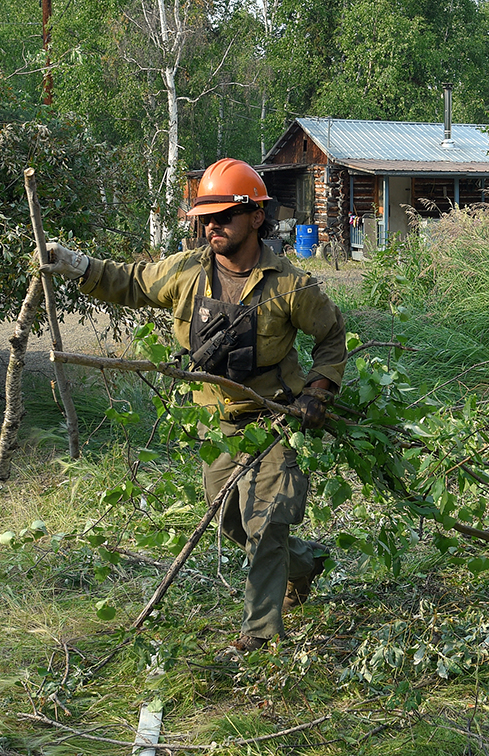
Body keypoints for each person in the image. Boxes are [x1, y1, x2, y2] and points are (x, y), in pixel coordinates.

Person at [43, 157, 347, 660]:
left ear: (255, 216)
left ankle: (259, 634)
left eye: (224, 215)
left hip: (272, 422)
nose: (212, 226)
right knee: (233, 524)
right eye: (206, 217)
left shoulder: (290, 284)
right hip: (216, 426)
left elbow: (331, 337)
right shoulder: (186, 273)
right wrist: (74, 264)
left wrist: (317, 390)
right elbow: (133, 282)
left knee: (267, 521)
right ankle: (305, 563)